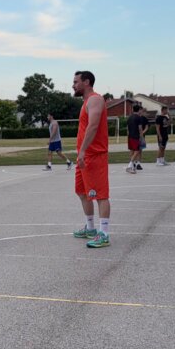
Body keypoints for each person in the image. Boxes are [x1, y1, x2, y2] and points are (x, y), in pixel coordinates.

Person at [71, 71, 111, 248]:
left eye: (76, 82)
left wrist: (83, 151)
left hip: (94, 155)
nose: (73, 85)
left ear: (86, 82)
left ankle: (104, 234)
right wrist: (81, 153)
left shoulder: (95, 99)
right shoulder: (85, 102)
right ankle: (90, 228)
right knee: (82, 192)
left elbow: (93, 126)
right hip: (84, 156)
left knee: (100, 195)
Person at [125, 104, 148, 173]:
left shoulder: (129, 117)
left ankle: (132, 167)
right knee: (137, 151)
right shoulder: (138, 118)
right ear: (139, 110)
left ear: (133, 110)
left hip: (130, 136)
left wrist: (128, 135)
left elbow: (127, 129)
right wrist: (142, 137)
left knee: (132, 151)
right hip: (136, 136)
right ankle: (129, 166)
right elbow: (140, 128)